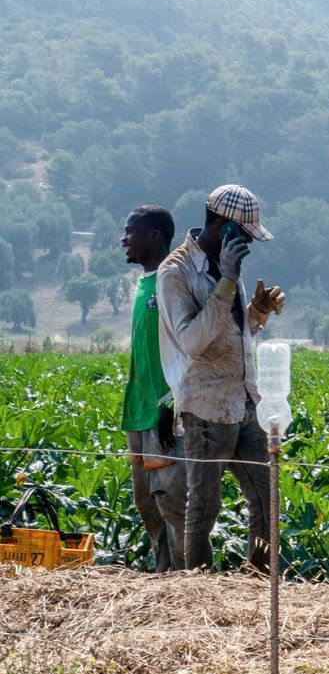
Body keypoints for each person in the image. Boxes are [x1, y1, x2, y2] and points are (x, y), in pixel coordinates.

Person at [156, 184, 285, 572]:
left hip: (244, 400)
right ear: (224, 226)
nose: (247, 243)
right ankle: (199, 589)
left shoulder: (229, 266)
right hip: (205, 406)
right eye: (244, 234)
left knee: (266, 496)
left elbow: (229, 333)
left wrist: (256, 314)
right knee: (205, 505)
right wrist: (227, 281)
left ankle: (259, 580)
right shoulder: (175, 272)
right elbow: (193, 341)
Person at [119, 205, 188, 572]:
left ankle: (185, 585)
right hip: (138, 411)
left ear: (154, 236)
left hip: (165, 413)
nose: (123, 239)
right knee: (147, 504)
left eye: (131, 231)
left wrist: (171, 404)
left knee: (172, 504)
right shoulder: (144, 283)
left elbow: (189, 349)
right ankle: (164, 581)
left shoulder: (172, 281)